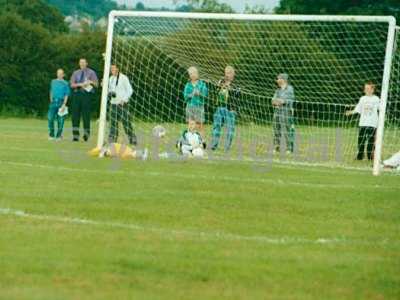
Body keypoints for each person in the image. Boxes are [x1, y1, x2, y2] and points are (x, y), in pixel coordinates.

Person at [345, 82, 380, 161]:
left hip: (372, 124)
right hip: (363, 123)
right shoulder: (362, 98)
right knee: (361, 141)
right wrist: (350, 112)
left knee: (371, 142)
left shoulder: (376, 99)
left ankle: (370, 156)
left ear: (372, 90)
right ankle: (360, 156)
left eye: (368, 88)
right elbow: (358, 109)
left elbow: (380, 108)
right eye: (365, 88)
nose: (366, 90)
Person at [211, 66, 240, 151]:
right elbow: (215, 92)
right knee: (217, 126)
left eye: (230, 73)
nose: (228, 75)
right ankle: (214, 145)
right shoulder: (221, 81)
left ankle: (227, 147)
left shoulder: (236, 85)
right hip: (219, 107)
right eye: (226, 72)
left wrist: (229, 89)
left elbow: (237, 96)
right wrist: (220, 86)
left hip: (230, 109)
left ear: (234, 74)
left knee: (230, 129)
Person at [70, 58, 98, 142]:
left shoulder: (91, 72)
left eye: (83, 62)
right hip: (76, 95)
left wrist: (90, 82)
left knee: (86, 116)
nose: (82, 64)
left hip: (86, 95)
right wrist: (81, 84)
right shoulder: (75, 73)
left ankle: (86, 135)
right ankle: (75, 135)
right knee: (75, 116)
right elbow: (72, 84)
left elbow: (96, 84)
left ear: (87, 63)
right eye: (80, 62)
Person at [108, 64, 137, 146]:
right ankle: (112, 139)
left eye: (113, 68)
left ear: (118, 69)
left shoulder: (123, 78)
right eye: (111, 69)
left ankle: (133, 139)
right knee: (113, 123)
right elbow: (111, 90)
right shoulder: (111, 78)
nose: (112, 70)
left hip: (122, 104)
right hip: (113, 103)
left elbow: (130, 90)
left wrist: (124, 100)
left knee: (126, 123)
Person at [272, 73, 295, 154]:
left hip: (286, 112)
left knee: (287, 130)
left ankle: (289, 148)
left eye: (278, 79)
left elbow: (288, 100)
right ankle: (276, 147)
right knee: (276, 129)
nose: (277, 80)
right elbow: (273, 100)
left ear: (284, 80)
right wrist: (278, 101)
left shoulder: (290, 89)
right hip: (277, 111)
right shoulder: (277, 90)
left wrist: (281, 101)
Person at [183, 66, 208, 137]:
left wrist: (199, 93)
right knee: (190, 124)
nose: (193, 75)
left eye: (194, 73)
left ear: (197, 74)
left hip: (199, 106)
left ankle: (201, 140)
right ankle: (189, 139)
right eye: (191, 74)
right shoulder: (188, 85)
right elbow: (185, 97)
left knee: (200, 124)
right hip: (190, 107)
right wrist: (191, 94)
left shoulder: (202, 84)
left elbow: (205, 95)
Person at [48, 69, 70, 140]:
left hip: (61, 102)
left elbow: (66, 94)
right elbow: (51, 91)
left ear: (63, 75)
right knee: (50, 118)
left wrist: (64, 104)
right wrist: (51, 99)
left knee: (60, 120)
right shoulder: (53, 81)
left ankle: (59, 135)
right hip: (53, 102)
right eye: (58, 73)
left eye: (61, 73)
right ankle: (51, 135)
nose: (59, 74)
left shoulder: (66, 83)